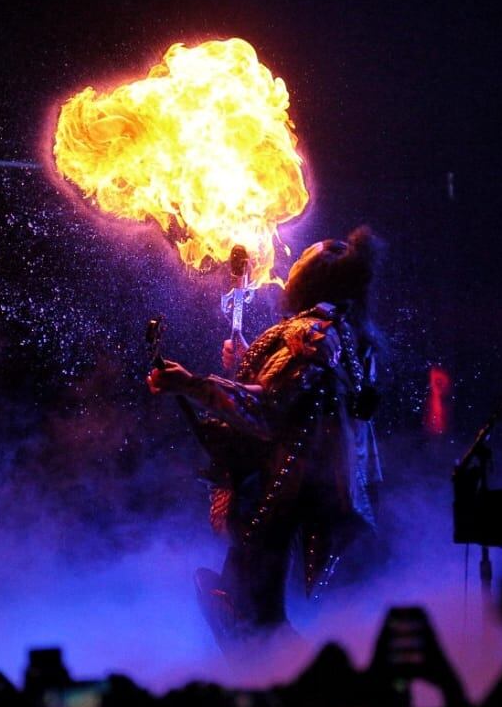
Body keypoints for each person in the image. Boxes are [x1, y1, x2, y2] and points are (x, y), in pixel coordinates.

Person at [148, 227, 385, 650]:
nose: (288, 265)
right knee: (246, 615)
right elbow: (296, 400)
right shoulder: (350, 334)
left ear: (308, 280)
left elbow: (265, 411)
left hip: (278, 498)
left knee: (253, 625)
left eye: (301, 261)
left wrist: (190, 384)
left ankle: (284, 699)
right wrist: (248, 360)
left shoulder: (312, 334)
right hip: (303, 496)